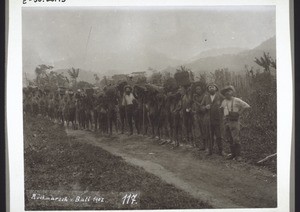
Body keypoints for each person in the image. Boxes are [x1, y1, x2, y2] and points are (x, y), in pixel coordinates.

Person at [220, 85, 250, 161]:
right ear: (224, 94)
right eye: (225, 92)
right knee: (229, 138)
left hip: (234, 122)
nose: (227, 93)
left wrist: (239, 113)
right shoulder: (224, 101)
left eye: (229, 92)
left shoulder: (237, 100)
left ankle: (238, 155)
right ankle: (233, 154)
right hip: (226, 121)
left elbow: (247, 106)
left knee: (236, 139)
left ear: (232, 92)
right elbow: (221, 109)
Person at [201, 83, 224, 156]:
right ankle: (210, 151)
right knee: (209, 135)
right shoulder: (205, 97)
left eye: (213, 87)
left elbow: (225, 105)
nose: (211, 88)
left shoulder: (220, 96)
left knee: (219, 135)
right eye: (210, 87)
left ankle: (221, 151)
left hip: (218, 120)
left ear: (216, 88)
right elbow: (201, 107)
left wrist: (223, 114)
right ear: (208, 89)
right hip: (209, 120)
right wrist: (205, 107)